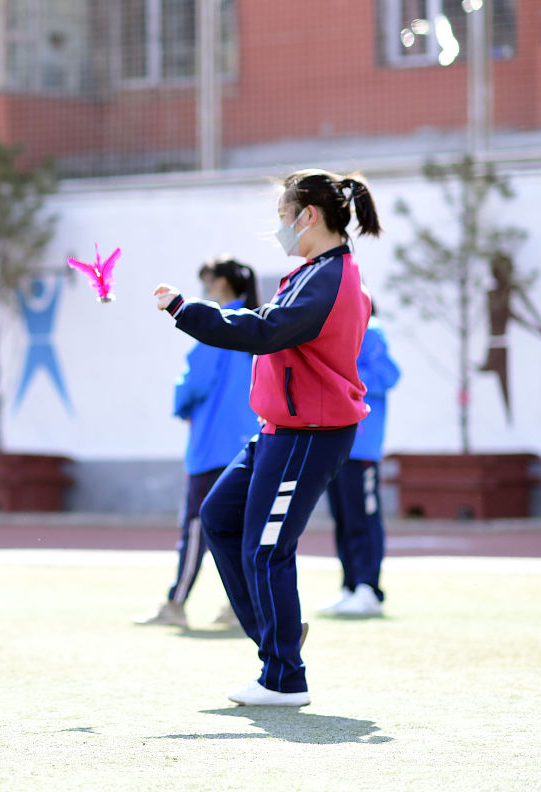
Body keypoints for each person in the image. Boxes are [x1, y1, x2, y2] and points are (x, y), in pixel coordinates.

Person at [153, 169, 381, 707]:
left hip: (309, 433)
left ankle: (284, 677)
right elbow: (266, 323)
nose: (279, 227)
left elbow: (263, 330)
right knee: (218, 517)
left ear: (309, 216)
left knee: (267, 548)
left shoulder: (331, 279)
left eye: (283, 216)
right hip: (283, 430)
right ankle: (277, 641)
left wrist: (187, 310)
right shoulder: (315, 272)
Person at [137, 258, 259, 628]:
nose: (204, 287)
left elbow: (194, 382)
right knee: (241, 530)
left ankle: (176, 604)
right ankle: (242, 609)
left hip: (213, 443)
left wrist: (179, 402)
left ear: (220, 283)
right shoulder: (256, 322)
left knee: (195, 526)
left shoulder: (217, 323)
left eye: (207, 280)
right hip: (249, 439)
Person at [320, 304, 400, 617]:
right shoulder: (338, 331)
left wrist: (340, 372)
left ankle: (369, 589)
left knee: (363, 517)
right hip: (336, 440)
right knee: (343, 517)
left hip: (362, 444)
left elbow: (387, 375)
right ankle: (351, 586)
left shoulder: (371, 328)